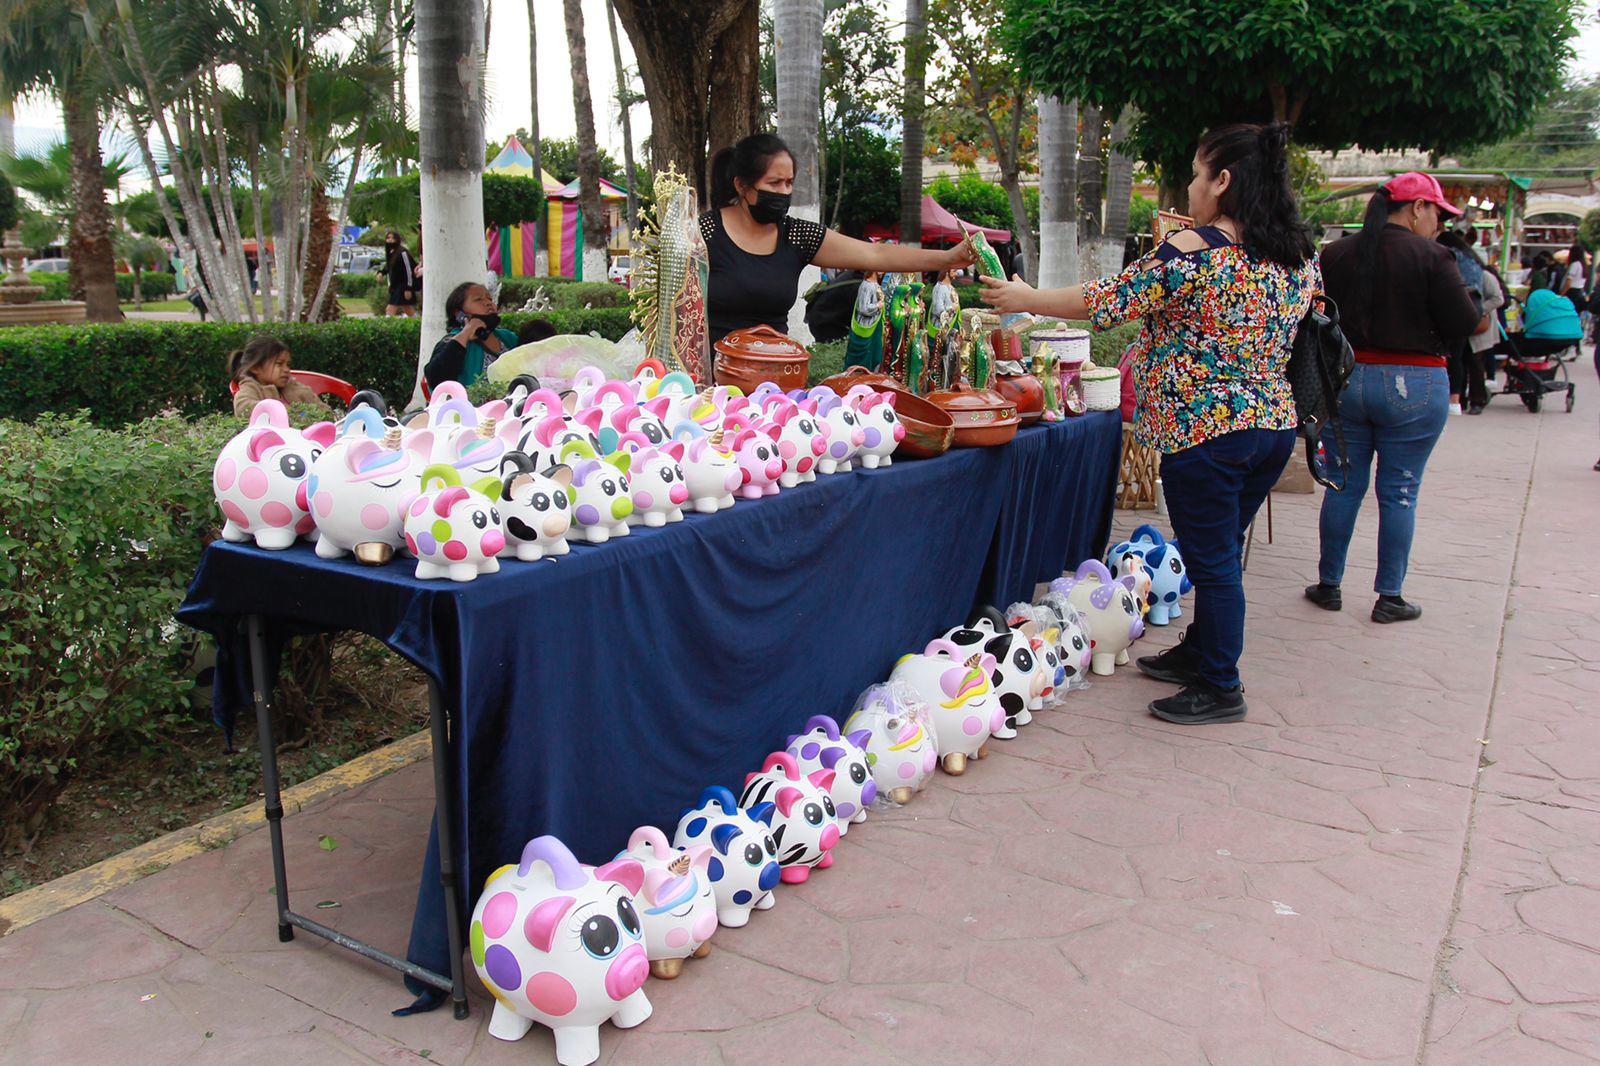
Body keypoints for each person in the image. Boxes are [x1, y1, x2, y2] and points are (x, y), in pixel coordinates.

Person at [979, 122, 1319, 726]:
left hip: (1208, 432)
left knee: (1212, 562)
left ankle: (1220, 684)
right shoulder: (1296, 253)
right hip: (1270, 425)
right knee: (1216, 552)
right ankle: (1202, 653)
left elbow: (1105, 301)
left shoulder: (1194, 251)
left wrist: (1025, 296)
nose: (1190, 186)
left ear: (1223, 181)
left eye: (1195, 173)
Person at [1311, 172, 1480, 624]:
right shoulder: (1433, 256)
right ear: (1417, 208)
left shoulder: (1337, 253)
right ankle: (1389, 596)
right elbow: (1465, 322)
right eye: (1438, 213)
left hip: (1345, 380)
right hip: (1416, 384)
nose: (1440, 224)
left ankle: (1329, 585)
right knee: (1400, 491)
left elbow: (1316, 318)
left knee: (1343, 485)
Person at [700, 133, 973, 347]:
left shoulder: (797, 235)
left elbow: (875, 255)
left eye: (789, 182)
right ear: (741, 184)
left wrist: (947, 258)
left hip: (775, 384)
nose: (784, 192)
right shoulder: (704, 233)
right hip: (712, 387)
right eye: (774, 183)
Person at [1438, 230, 1503, 414]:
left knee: (1474, 362)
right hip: (1460, 324)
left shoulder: (1482, 274)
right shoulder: (1458, 271)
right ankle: (1461, 399)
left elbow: (1498, 299)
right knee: (1458, 361)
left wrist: (1478, 309)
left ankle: (1477, 400)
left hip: (1478, 327)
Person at [423, 282, 517, 390]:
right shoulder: (453, 341)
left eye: (490, 299)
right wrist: (466, 333)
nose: (488, 303)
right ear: (459, 313)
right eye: (478, 299)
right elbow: (436, 379)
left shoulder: (508, 338)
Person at [229, 336, 331, 419]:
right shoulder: (251, 388)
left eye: (288, 364)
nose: (286, 369)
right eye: (279, 364)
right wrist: (280, 411)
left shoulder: (294, 387)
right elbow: (243, 408)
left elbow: (325, 412)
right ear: (256, 368)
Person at [384, 230, 418, 317]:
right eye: (388, 238)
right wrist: (381, 272)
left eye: (393, 238)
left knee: (390, 308)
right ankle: (417, 323)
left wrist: (408, 288)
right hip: (395, 286)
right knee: (407, 308)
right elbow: (388, 267)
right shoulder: (391, 253)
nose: (390, 240)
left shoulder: (403, 253)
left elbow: (408, 270)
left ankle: (386, 327)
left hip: (402, 286)